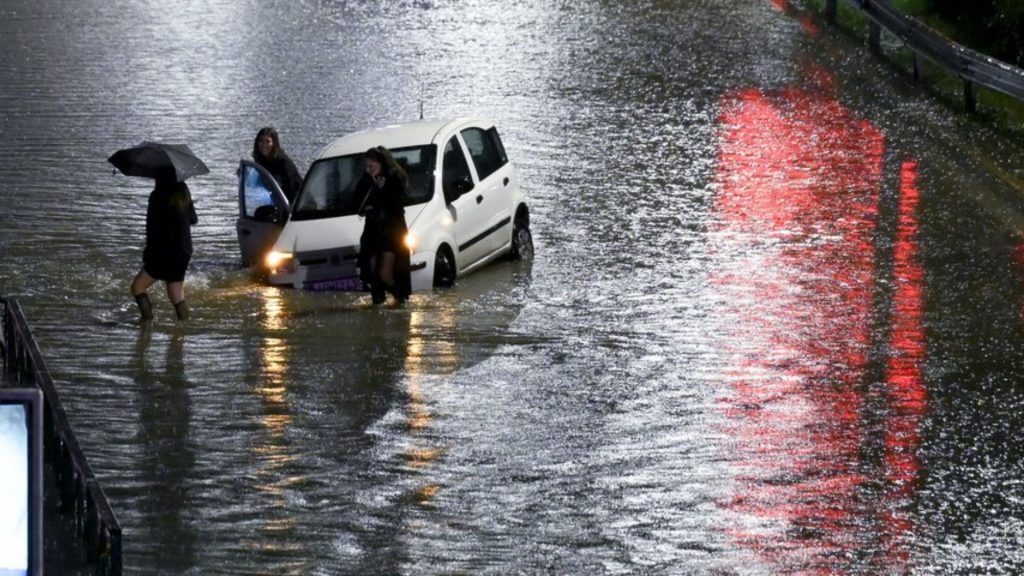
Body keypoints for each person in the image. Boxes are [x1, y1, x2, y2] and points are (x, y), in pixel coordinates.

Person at [130, 168, 198, 321]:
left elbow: (152, 228)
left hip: (164, 251)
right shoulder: (183, 191)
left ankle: (146, 325)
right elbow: (193, 219)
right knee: (176, 294)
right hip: (184, 251)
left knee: (137, 287)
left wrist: (148, 253)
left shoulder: (157, 196)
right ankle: (182, 332)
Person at [357, 146, 411, 305]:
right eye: (366, 167)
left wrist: (382, 190)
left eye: (370, 166)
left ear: (380, 163)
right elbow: (357, 199)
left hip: (391, 233)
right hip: (373, 232)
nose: (368, 170)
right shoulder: (367, 179)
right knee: (373, 274)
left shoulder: (395, 178)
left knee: (385, 274)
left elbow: (395, 205)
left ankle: (400, 299)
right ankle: (379, 302)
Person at [252, 127, 303, 204]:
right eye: (261, 141)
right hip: (279, 201)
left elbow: (291, 188)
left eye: (268, 141)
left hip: (298, 203)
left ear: (274, 143)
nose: (264, 145)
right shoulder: (263, 161)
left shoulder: (283, 162)